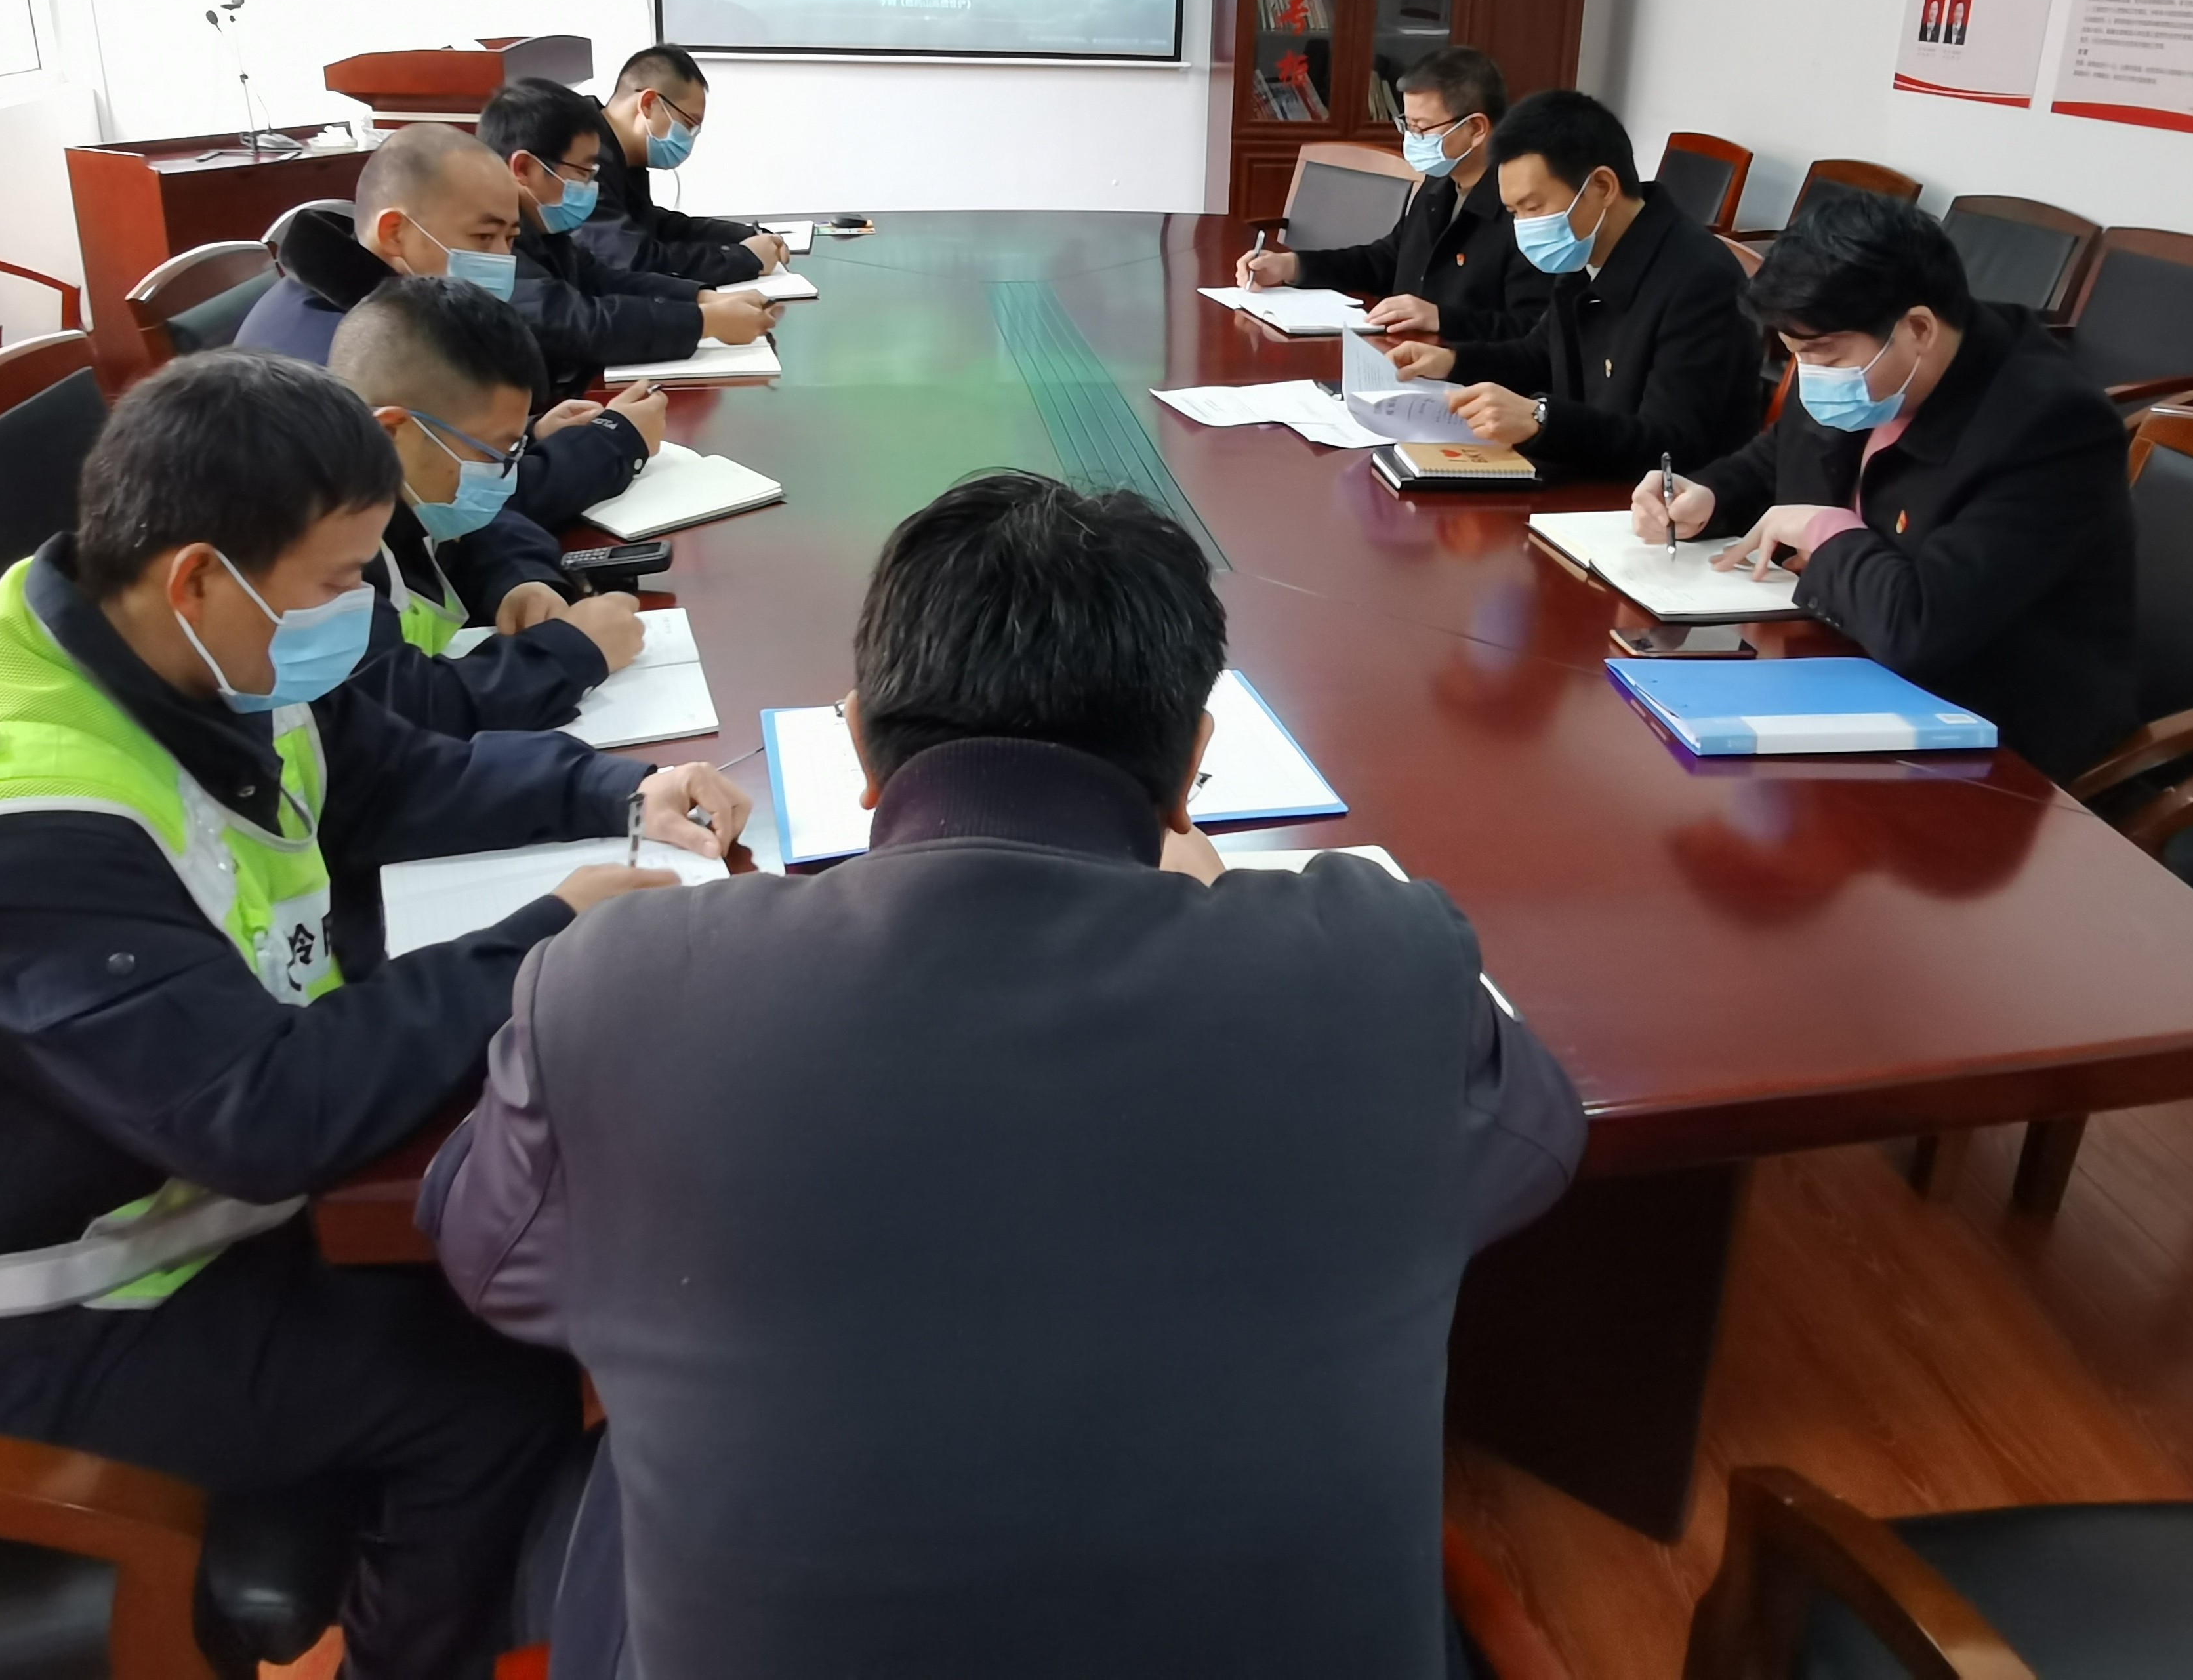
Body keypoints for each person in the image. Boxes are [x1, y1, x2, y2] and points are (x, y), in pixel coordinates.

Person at [423, 472, 1586, 1680]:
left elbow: (485, 1250)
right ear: (1192, 764)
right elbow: (1537, 1145)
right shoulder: (1383, 964)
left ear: (860, 742)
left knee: (630, 1465)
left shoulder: (623, 985)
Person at [0, 350, 748, 1680]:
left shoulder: (163, 649)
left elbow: (386, 778)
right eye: (337, 583)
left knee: (504, 1273)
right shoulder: (16, 833)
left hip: (135, 1183)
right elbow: (264, 1121)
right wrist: (543, 938)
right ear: (198, 578)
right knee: (483, 1386)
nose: (360, 610)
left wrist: (611, 795)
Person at [1635, 190, 2136, 781]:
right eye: (1795, 355)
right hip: (1840, 668)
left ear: (1918, 328)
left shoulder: (2049, 426)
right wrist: (1709, 494)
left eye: (1822, 356)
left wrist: (1824, 530)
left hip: (1990, 738)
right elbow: (1779, 456)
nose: (1808, 376)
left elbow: (1920, 627)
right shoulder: (1854, 363)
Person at [237, 121, 665, 532]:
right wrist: (615, 442)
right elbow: (444, 511)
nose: (503, 261)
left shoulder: (387, 307)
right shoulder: (338, 357)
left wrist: (522, 436)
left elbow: (431, 454)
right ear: (395, 233)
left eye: (510, 240)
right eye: (483, 238)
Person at [1390, 90, 1764, 481]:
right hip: (1587, 478)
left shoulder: (1700, 281)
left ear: (1602, 186)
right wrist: (1452, 362)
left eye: (1534, 208)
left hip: (1654, 501)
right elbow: (1540, 354)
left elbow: (1671, 444)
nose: (1523, 229)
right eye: (1514, 212)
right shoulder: (1587, 248)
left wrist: (1540, 420)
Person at [329, 277, 647, 735]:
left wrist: (520, 583)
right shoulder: (316, 544)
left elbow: (486, 527)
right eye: (493, 454)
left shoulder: (395, 484)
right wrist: (574, 651)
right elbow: (401, 711)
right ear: (391, 432)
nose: (504, 474)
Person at [478, 79, 774, 403]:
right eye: (583, 173)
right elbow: (576, 322)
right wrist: (705, 322)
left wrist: (703, 298)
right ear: (524, 168)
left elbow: (603, 279)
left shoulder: (543, 226)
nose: (591, 187)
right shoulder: (489, 245)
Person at [1233, 45, 1546, 341]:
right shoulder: (1440, 184)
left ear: (1476, 129)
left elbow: (1533, 331)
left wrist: (1441, 318)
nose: (1412, 138)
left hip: (1465, 370)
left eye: (1422, 128)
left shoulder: (1526, 208)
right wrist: (1293, 266)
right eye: (1407, 124)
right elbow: (1386, 260)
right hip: (1404, 354)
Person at [574, 42, 785, 285]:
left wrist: (744, 235)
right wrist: (744, 259)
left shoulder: (618, 153)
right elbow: (635, 260)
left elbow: (653, 225)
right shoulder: (579, 158)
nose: (690, 137)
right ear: (648, 104)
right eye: (688, 124)